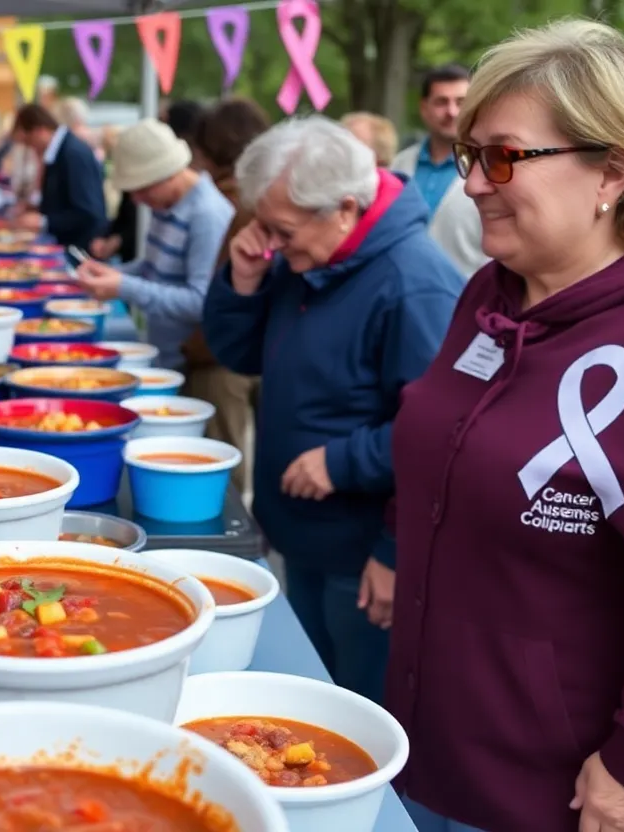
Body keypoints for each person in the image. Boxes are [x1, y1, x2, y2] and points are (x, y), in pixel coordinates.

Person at [386, 21, 624, 832]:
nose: (472, 183)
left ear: (613, 171)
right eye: (468, 154)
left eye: (503, 156)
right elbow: (441, 442)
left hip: (558, 797)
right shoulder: (490, 294)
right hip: (430, 751)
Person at [203, 116, 463, 705]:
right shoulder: (312, 258)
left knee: (348, 706)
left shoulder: (413, 285)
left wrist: (346, 468)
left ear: (343, 209)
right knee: (305, 691)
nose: (269, 241)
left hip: (364, 553)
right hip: (301, 534)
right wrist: (243, 282)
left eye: (281, 229)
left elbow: (444, 433)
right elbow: (241, 353)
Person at [76, 119, 233, 373]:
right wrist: (113, 274)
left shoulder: (207, 214)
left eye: (143, 189)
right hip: (165, 353)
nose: (137, 199)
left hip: (192, 362)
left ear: (169, 173)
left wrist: (123, 286)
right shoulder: (166, 203)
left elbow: (200, 302)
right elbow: (153, 267)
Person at [183, 97, 271, 495]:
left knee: (226, 467)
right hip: (268, 346)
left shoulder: (228, 201)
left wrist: (197, 346)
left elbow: (216, 287)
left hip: (230, 352)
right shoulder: (262, 193)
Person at [391, 65, 487, 279]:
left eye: (460, 102)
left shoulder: (490, 168)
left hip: (467, 298)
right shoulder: (399, 165)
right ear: (424, 108)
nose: (451, 112)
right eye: (441, 102)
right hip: (402, 295)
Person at [11, 103, 108, 251]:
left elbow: (88, 213)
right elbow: (63, 201)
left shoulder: (72, 153)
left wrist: (44, 221)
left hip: (79, 250)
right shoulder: (60, 151)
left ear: (39, 131)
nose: (31, 148)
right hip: (67, 245)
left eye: (28, 142)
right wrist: (36, 208)